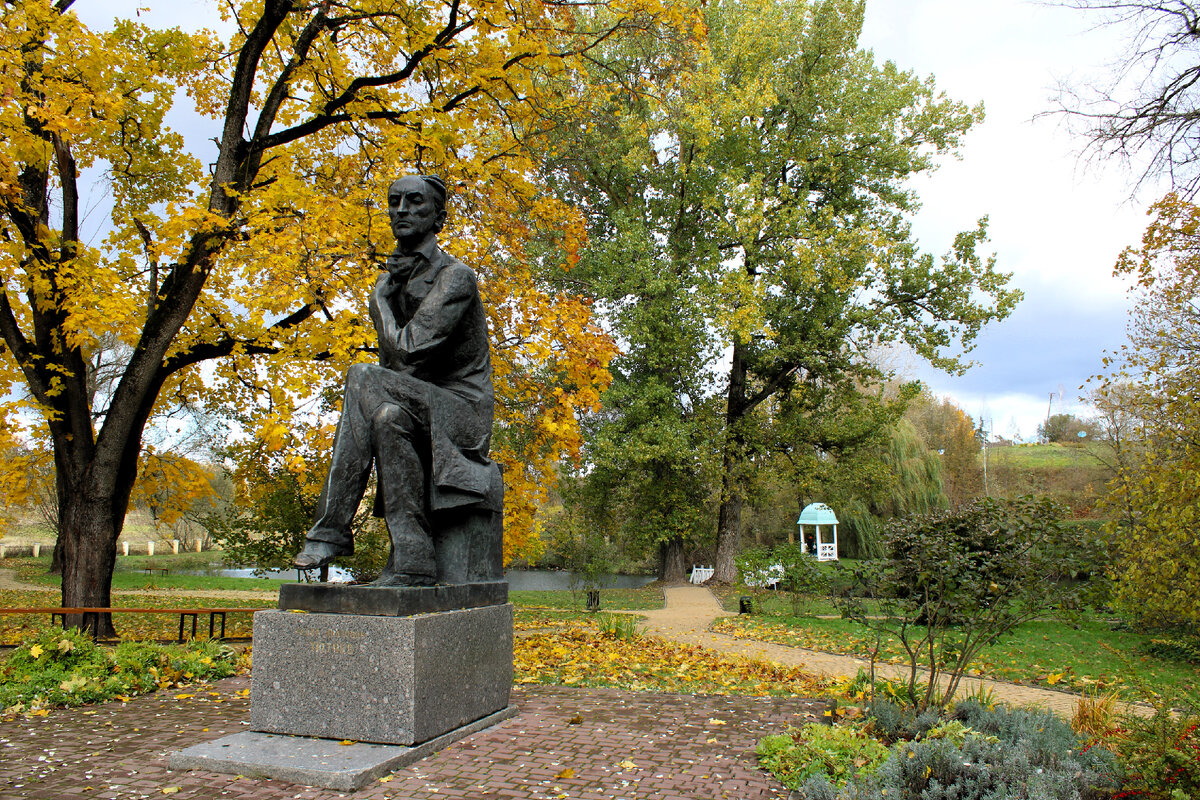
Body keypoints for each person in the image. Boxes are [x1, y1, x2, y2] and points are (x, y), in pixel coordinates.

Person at [292, 174, 501, 586]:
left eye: (415, 202)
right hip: (417, 400)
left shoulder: (456, 277)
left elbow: (405, 352)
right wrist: (387, 298)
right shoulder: (394, 279)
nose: (402, 210)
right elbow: (398, 372)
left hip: (463, 413)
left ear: (438, 218)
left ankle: (331, 529)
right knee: (387, 416)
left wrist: (380, 305)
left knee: (360, 376)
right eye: (394, 201)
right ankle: (414, 560)